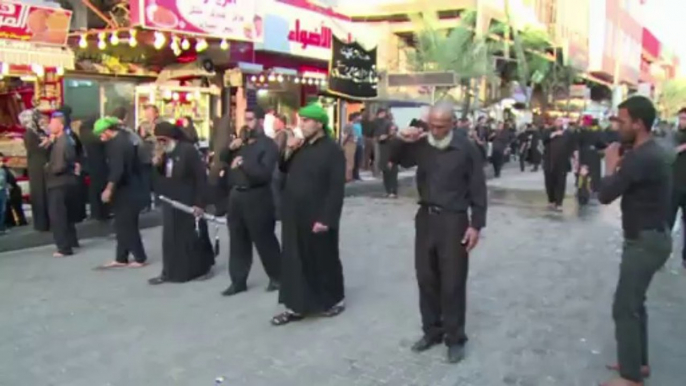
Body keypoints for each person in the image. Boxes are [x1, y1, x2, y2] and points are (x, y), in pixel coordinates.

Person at [389, 101, 486, 364]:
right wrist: (401, 137)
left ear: (452, 123)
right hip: (425, 220)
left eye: (441, 126)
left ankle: (455, 338)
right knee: (426, 278)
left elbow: (478, 188)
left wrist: (476, 225)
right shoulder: (423, 144)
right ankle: (431, 331)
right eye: (432, 125)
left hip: (454, 221)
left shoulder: (466, 149)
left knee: (453, 282)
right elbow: (394, 158)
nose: (436, 130)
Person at [597, 96, 672, 386]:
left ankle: (630, 378)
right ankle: (637, 363)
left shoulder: (641, 157)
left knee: (624, 307)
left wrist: (611, 166)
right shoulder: (651, 152)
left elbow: (606, 194)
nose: (617, 126)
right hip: (652, 238)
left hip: (644, 242)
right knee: (635, 304)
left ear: (639, 124)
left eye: (622, 121)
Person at [270, 103, 346, 326]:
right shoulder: (300, 146)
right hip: (294, 213)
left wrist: (327, 219)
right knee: (294, 260)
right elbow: (283, 169)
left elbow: (336, 189)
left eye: (306, 120)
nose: (301, 124)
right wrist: (289, 150)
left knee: (322, 258)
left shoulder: (333, 150)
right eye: (300, 120)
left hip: (318, 215)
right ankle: (296, 306)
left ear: (319, 123)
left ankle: (332, 301)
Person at [220, 107, 281, 296]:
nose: (247, 123)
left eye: (251, 119)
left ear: (261, 121)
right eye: (244, 119)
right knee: (237, 239)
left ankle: (277, 277)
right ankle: (238, 280)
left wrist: (243, 165)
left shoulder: (268, 145)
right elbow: (222, 159)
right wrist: (229, 149)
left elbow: (264, 174)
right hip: (237, 195)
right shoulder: (242, 143)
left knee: (264, 239)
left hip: (258, 196)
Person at [148, 122, 215, 284]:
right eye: (158, 141)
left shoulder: (188, 151)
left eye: (163, 140)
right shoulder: (165, 153)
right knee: (170, 238)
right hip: (171, 201)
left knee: (191, 237)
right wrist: (157, 165)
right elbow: (161, 178)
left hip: (189, 200)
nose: (161, 144)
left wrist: (200, 203)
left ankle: (198, 269)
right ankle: (169, 271)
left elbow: (200, 178)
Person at [93, 117, 149, 269]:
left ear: (107, 131)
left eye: (101, 134)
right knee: (121, 224)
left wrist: (108, 189)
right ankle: (121, 257)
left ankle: (139, 256)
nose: (100, 137)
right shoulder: (125, 139)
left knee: (127, 224)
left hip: (127, 189)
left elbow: (118, 170)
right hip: (130, 187)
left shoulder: (118, 145)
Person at [45, 113, 79, 257]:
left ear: (61, 125)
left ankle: (64, 247)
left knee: (58, 216)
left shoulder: (62, 142)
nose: (49, 126)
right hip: (68, 181)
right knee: (67, 215)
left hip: (58, 182)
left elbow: (59, 166)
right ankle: (71, 241)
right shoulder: (66, 140)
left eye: (53, 124)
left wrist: (47, 168)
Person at [20, 109, 50, 231]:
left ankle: (47, 221)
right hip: (37, 167)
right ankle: (41, 223)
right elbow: (36, 150)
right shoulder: (29, 134)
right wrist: (48, 142)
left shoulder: (36, 131)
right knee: (39, 193)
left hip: (41, 165)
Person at [542, 118, 575, 211]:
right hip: (549, 161)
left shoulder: (568, 133)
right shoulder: (548, 131)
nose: (559, 123)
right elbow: (544, 139)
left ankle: (559, 202)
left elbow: (572, 146)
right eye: (557, 121)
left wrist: (573, 157)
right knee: (549, 182)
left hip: (562, 162)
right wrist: (554, 134)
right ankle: (551, 201)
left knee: (560, 182)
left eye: (561, 121)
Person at [668, 107, 686, 269]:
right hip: (673, 185)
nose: (682, 122)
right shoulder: (673, 136)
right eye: (681, 118)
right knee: (667, 222)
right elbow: (668, 153)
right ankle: (662, 254)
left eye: (685, 119)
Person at [138, 104, 160, 210]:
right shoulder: (143, 124)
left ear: (156, 113)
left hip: (157, 155)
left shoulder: (161, 123)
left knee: (158, 181)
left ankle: (159, 203)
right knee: (145, 181)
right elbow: (140, 138)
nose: (148, 116)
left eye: (150, 113)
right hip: (146, 157)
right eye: (147, 113)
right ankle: (146, 204)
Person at [374, 109, 397, 197]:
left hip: (389, 148)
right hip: (385, 149)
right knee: (387, 171)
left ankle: (391, 191)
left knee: (390, 171)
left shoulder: (389, 124)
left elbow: (392, 133)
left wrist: (385, 137)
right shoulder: (381, 124)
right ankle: (390, 191)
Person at [272, 114, 290, 221]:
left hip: (278, 167)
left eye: (276, 122)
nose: (274, 124)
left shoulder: (282, 134)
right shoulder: (286, 133)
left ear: (282, 123)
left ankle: (278, 214)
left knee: (276, 191)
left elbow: (277, 150)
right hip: (283, 167)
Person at [1, 155, 27, 228]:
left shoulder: (5, 169)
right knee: (10, 206)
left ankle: (17, 221)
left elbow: (11, 180)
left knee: (14, 206)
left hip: (12, 188)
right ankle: (14, 221)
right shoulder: (5, 169)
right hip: (11, 188)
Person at [341, 112, 359, 182]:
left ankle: (349, 176)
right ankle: (347, 177)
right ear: (354, 118)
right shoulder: (349, 126)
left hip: (352, 143)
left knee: (351, 161)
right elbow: (346, 135)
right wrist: (342, 144)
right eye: (357, 117)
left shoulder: (352, 126)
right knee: (349, 161)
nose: (359, 118)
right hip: (349, 144)